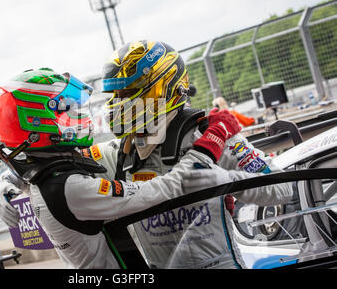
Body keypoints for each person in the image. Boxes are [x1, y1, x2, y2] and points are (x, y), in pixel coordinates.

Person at [0, 67, 260, 269]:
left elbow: (270, 180)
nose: (74, 117)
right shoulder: (71, 185)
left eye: (128, 94)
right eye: (64, 110)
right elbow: (163, 188)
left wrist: (8, 177)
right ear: (37, 121)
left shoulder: (58, 170)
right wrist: (207, 148)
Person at [91, 40, 292, 269]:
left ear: (165, 88)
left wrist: (231, 181)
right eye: (114, 94)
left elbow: (283, 189)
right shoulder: (118, 153)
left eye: (127, 92)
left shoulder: (211, 136)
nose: (117, 102)